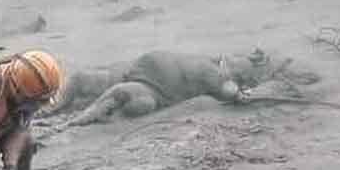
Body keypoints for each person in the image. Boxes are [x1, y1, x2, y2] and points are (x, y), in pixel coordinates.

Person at [53, 50, 268, 130]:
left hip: (148, 89)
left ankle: (74, 121)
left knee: (121, 96)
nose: (233, 58)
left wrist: (240, 94)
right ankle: (56, 108)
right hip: (135, 74)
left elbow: (229, 91)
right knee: (82, 79)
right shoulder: (210, 61)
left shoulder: (218, 74)